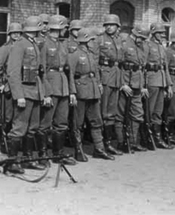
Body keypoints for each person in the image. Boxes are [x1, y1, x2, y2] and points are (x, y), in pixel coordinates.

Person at [7, 16, 47, 172]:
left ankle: (27, 159)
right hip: (24, 91)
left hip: (35, 92)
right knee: (19, 127)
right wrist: (19, 95)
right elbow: (13, 72)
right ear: (34, 28)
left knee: (33, 127)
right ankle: (12, 161)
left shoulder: (33, 44)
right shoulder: (20, 45)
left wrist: (42, 93)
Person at [68, 28, 114, 161]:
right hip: (80, 91)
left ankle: (99, 149)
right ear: (85, 40)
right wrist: (72, 92)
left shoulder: (91, 54)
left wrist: (99, 84)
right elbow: (70, 74)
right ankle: (78, 149)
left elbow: (96, 71)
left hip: (93, 91)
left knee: (96, 121)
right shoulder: (74, 55)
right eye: (92, 40)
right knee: (78, 122)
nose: (94, 42)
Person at [40, 15, 77, 165]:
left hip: (63, 87)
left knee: (61, 123)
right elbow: (41, 71)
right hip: (51, 86)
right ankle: (42, 155)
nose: (65, 31)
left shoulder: (63, 45)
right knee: (45, 124)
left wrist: (72, 91)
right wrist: (46, 93)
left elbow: (69, 70)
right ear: (58, 28)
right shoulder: (44, 44)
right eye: (64, 28)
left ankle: (58, 154)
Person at [0, 22, 23, 153]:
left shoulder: (22, 47)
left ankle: (15, 142)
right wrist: (0, 85)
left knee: (18, 115)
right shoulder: (5, 48)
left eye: (18, 33)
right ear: (9, 34)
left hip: (20, 85)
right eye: (14, 33)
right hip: (8, 85)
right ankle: (4, 142)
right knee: (7, 116)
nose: (16, 35)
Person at [119, 25, 150, 152]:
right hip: (125, 84)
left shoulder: (142, 47)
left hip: (137, 84)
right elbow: (118, 66)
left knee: (137, 113)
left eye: (144, 38)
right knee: (121, 115)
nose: (142, 40)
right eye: (141, 37)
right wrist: (122, 84)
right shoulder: (124, 44)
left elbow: (141, 68)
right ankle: (121, 143)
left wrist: (142, 86)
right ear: (135, 34)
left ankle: (132, 142)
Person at [97, 14, 123, 156]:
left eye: (112, 25)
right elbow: (95, 61)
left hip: (116, 77)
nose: (109, 27)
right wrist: (98, 81)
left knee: (112, 112)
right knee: (103, 112)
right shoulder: (100, 39)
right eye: (107, 24)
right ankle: (100, 145)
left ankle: (109, 143)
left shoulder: (119, 40)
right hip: (105, 76)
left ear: (117, 27)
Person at [146, 22, 173, 149]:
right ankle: (147, 137)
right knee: (149, 110)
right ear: (153, 33)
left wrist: (169, 84)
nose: (162, 35)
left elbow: (165, 67)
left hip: (161, 81)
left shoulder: (162, 47)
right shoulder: (147, 45)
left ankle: (157, 138)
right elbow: (143, 65)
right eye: (159, 33)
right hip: (151, 81)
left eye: (163, 33)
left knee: (158, 111)